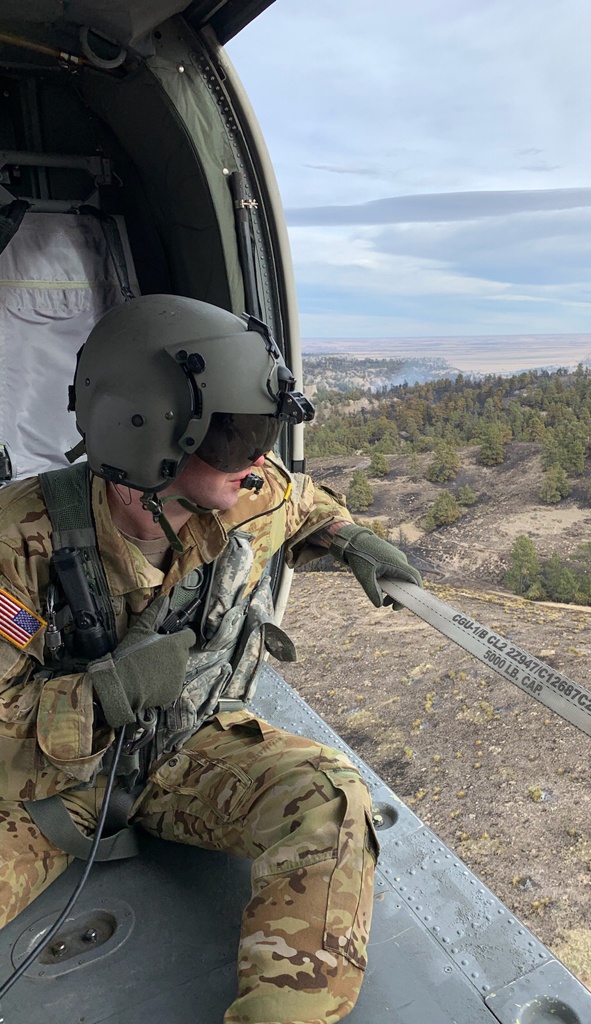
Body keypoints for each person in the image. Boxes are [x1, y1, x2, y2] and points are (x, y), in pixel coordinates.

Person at [0, 294, 423, 1024]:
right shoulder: (20, 542)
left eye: (264, 430)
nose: (255, 456)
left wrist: (349, 536)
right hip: (44, 791)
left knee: (327, 796)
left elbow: (301, 503)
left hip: (185, 746)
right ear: (144, 434)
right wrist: (101, 697)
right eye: (231, 438)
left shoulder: (246, 495)